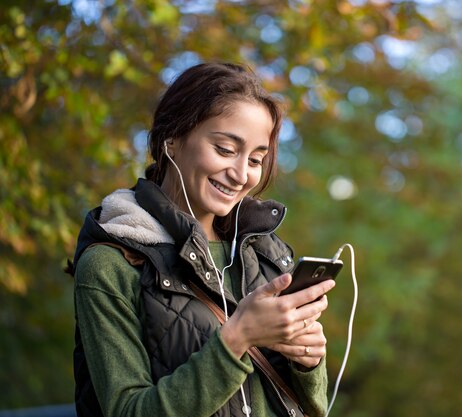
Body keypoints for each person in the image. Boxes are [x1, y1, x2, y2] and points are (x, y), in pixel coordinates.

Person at [68, 62, 335, 417]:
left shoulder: (267, 254)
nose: (242, 175)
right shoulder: (112, 263)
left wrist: (308, 363)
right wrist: (237, 338)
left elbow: (312, 406)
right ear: (172, 140)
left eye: (256, 159)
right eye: (225, 150)